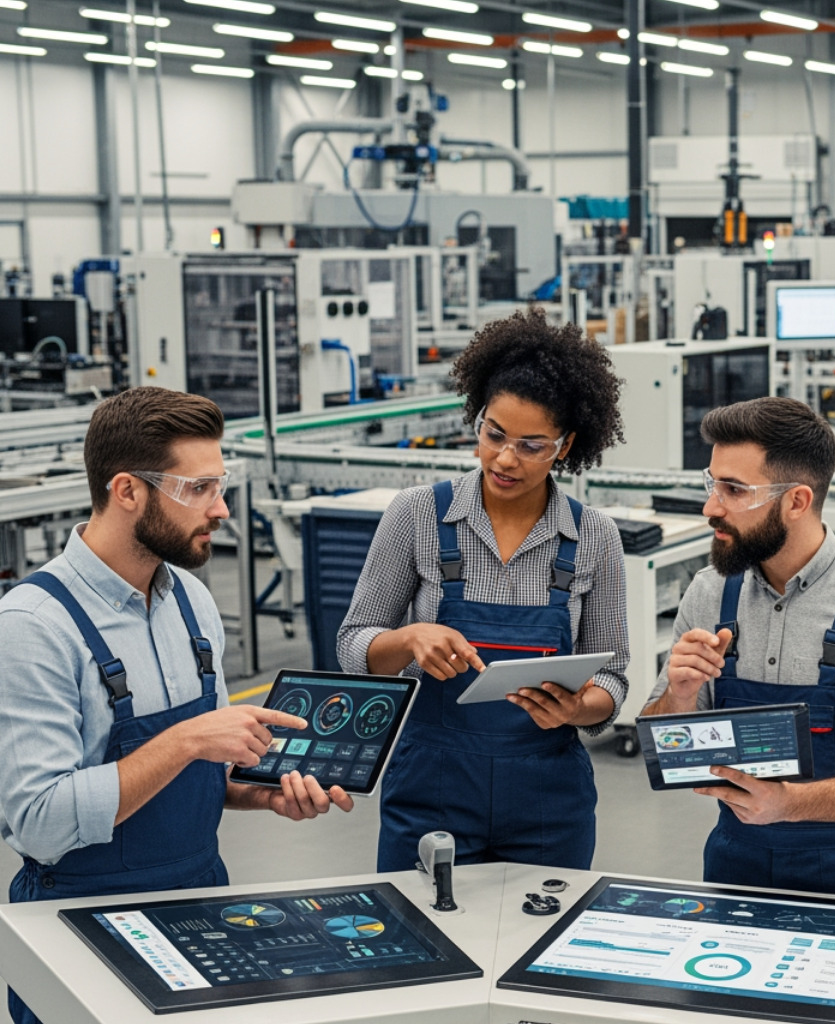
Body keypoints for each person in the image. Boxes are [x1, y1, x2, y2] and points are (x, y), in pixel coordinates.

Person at [0, 387, 353, 1024]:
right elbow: (40, 823)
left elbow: (201, 780)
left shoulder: (190, 601)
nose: (220, 509)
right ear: (127, 490)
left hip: (201, 905)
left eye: (221, 486)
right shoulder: (32, 626)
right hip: (76, 920)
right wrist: (187, 740)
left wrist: (259, 792)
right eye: (199, 489)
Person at [337, 310, 630, 873]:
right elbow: (353, 647)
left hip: (548, 801)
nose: (504, 458)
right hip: (431, 791)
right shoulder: (417, 515)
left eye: (531, 444)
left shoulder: (594, 536)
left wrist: (578, 708)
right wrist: (408, 640)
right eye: (493, 434)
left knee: (537, 953)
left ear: (565, 447)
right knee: (424, 946)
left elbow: (613, 676)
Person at [645, 397, 835, 900]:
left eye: (734, 489)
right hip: (735, 861)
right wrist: (678, 696)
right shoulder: (710, 591)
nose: (711, 506)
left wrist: (790, 804)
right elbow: (663, 753)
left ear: (797, 501)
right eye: (711, 482)